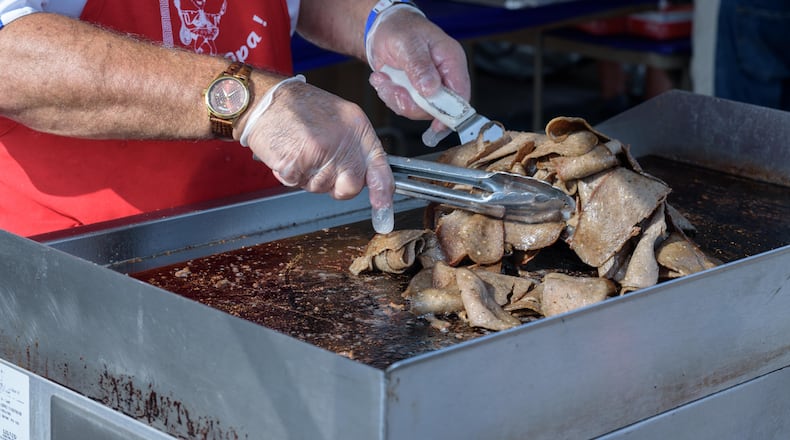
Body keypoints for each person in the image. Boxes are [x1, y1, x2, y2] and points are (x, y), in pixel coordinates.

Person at [0, 0, 470, 237]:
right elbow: (10, 56)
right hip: (78, 255)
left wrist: (381, 21)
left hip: (255, 232)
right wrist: (249, 102)